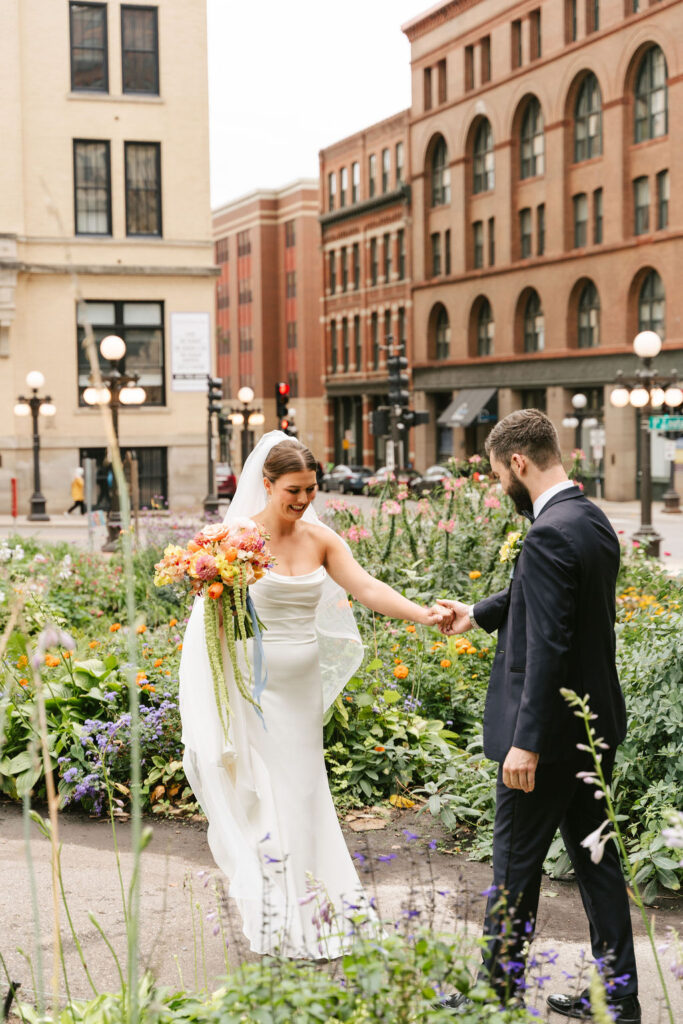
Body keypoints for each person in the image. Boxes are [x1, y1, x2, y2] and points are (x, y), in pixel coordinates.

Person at [179, 431, 446, 960]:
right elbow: (209, 621)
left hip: (299, 692)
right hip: (252, 689)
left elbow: (367, 588)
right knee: (268, 793)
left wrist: (425, 614)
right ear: (268, 483)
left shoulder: (321, 539)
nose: (302, 501)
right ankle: (278, 914)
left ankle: (322, 906)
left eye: (310, 490)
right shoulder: (234, 539)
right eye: (293, 491)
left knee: (304, 790)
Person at [437, 410, 640, 1024]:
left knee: (515, 868)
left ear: (517, 464)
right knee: (598, 866)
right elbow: (550, 598)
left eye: (499, 472)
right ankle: (619, 999)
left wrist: (523, 744)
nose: (500, 484)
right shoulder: (587, 517)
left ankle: (494, 996)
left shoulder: (548, 531)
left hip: (545, 742)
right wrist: (478, 611)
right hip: (591, 728)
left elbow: (549, 644)